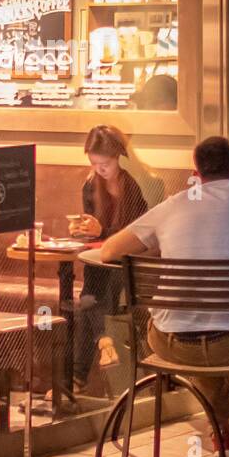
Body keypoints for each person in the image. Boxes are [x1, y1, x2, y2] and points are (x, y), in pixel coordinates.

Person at [98, 135, 229, 457]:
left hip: (172, 346)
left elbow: (109, 251)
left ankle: (224, 432)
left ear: (197, 172)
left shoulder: (175, 203)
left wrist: (161, 246)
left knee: (192, 318)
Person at [68, 126, 148, 396]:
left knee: (89, 301)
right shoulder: (91, 185)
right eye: (94, 164)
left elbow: (137, 235)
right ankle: (101, 347)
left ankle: (78, 377)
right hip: (100, 257)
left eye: (105, 164)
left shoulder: (133, 186)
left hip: (131, 261)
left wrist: (102, 232)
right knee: (89, 297)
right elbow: (94, 229)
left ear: (118, 157)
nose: (100, 169)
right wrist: (83, 229)